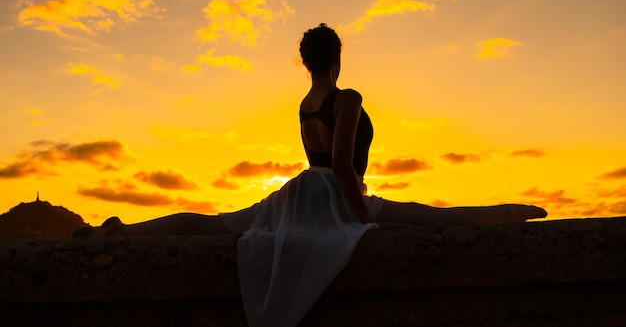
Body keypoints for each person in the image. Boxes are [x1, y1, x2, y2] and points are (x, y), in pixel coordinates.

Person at [74, 23, 547, 327]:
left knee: (218, 223)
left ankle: (122, 231)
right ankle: (509, 212)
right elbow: (342, 164)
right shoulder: (348, 97)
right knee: (423, 217)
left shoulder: (304, 104)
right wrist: (364, 220)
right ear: (337, 57)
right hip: (334, 191)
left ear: (307, 62)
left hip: (303, 188)